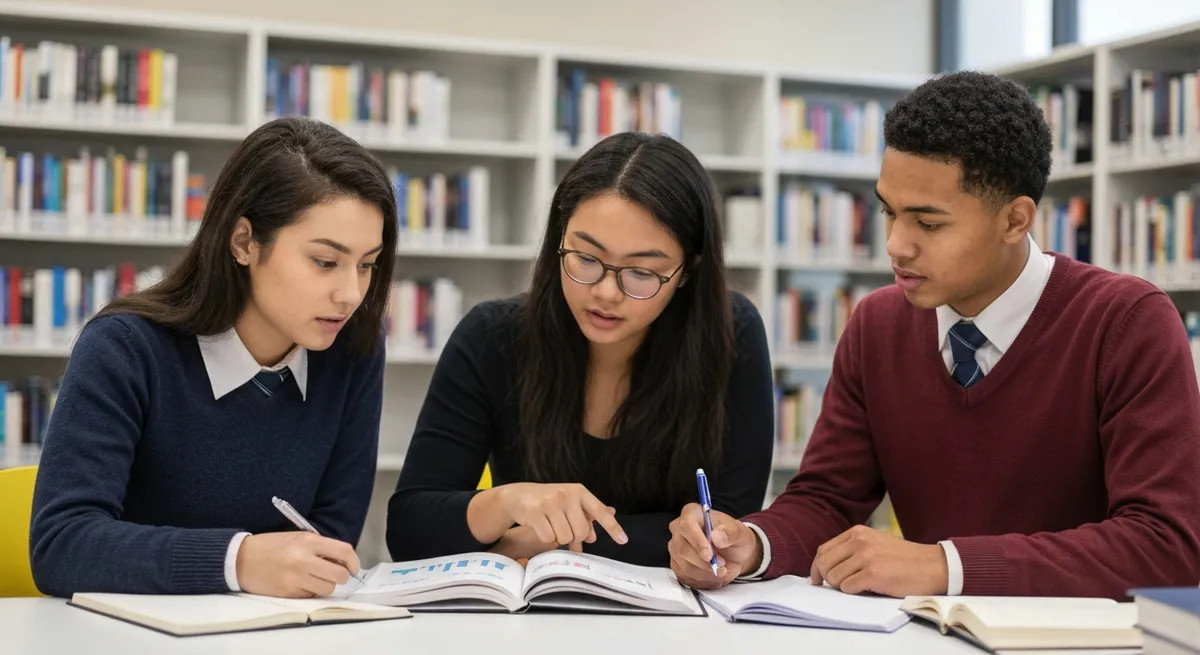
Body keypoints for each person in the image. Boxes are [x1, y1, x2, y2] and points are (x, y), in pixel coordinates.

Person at [666, 70, 1200, 600]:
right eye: (888, 212)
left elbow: (1166, 545)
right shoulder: (877, 325)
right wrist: (753, 544)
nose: (896, 245)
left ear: (1015, 220)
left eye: (929, 223)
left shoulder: (1127, 322)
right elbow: (827, 499)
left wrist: (947, 566)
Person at [29, 116, 397, 599]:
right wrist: (238, 560)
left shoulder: (352, 352)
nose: (351, 294)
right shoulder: (124, 349)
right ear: (244, 242)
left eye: (367, 265)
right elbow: (62, 544)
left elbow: (329, 541)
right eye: (325, 262)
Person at [386, 131, 774, 567]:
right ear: (559, 239)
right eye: (585, 259)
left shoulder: (730, 333)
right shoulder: (492, 336)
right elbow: (409, 530)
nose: (606, 292)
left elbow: (727, 532)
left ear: (687, 273)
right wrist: (507, 504)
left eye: (642, 272)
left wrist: (536, 543)